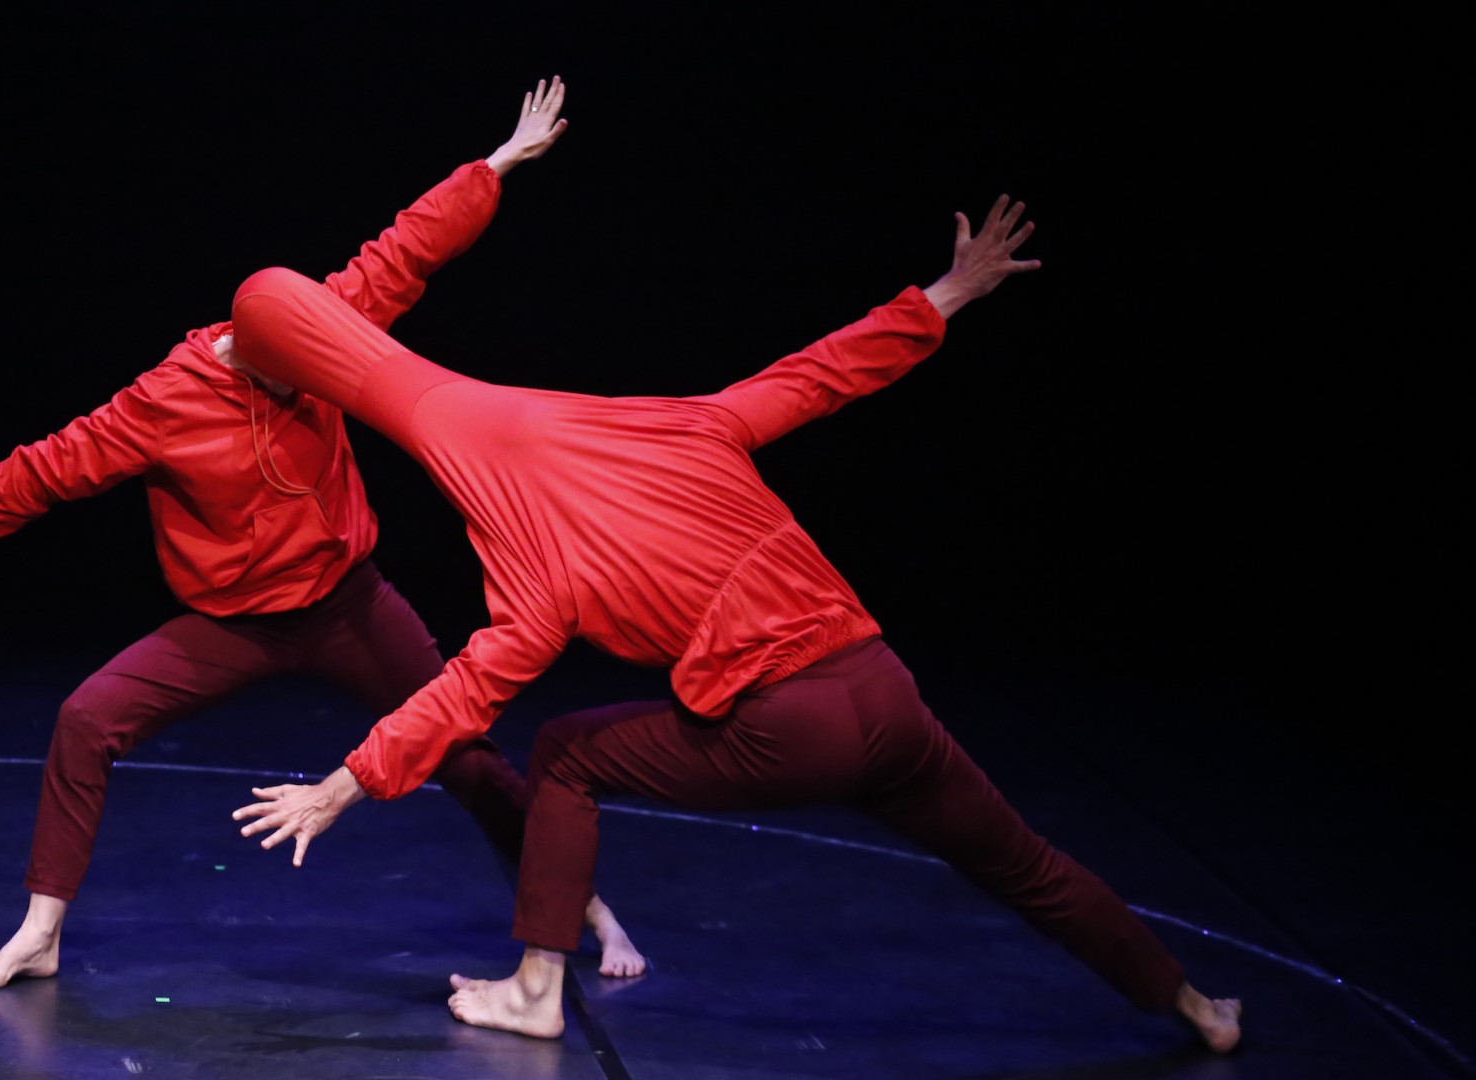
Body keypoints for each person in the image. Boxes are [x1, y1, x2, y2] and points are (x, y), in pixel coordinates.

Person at [225, 195, 1243, 1052]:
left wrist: (343, 784)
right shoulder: (690, 426)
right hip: (884, 692)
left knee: (568, 756)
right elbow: (823, 373)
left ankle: (537, 991)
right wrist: (950, 292)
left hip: (787, 726)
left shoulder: (540, 569)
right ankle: (1195, 1006)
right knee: (1025, 863)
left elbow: (465, 692)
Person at [0, 78, 645, 992]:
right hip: (232, 624)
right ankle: (40, 932)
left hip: (349, 606)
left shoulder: (315, 331)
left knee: (463, 752)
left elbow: (403, 252)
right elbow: (52, 464)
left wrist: (497, 164)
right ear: (247, 349)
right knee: (86, 719)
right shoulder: (165, 402)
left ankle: (584, 908)